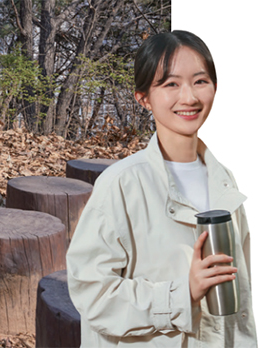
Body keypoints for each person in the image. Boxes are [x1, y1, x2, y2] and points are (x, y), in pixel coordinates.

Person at [66, 30, 257, 346]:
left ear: (215, 87)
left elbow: (242, 293)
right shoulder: (121, 184)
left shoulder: (224, 179)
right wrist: (183, 294)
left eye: (200, 81)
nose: (189, 97)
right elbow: (92, 293)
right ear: (144, 98)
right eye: (170, 84)